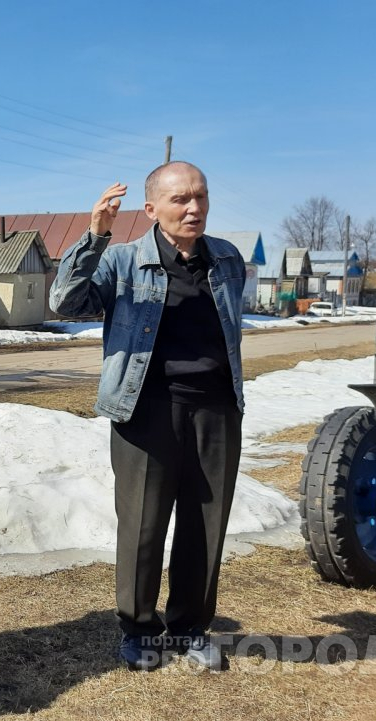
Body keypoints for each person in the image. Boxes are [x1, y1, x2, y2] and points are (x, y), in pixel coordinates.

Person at [48, 161, 246, 672]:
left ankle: (190, 627)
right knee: (143, 524)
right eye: (181, 199)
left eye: (200, 197)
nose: (194, 208)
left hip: (216, 409)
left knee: (206, 523)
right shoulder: (122, 261)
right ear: (152, 208)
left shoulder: (227, 259)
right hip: (145, 409)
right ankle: (137, 628)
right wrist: (94, 236)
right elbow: (64, 301)